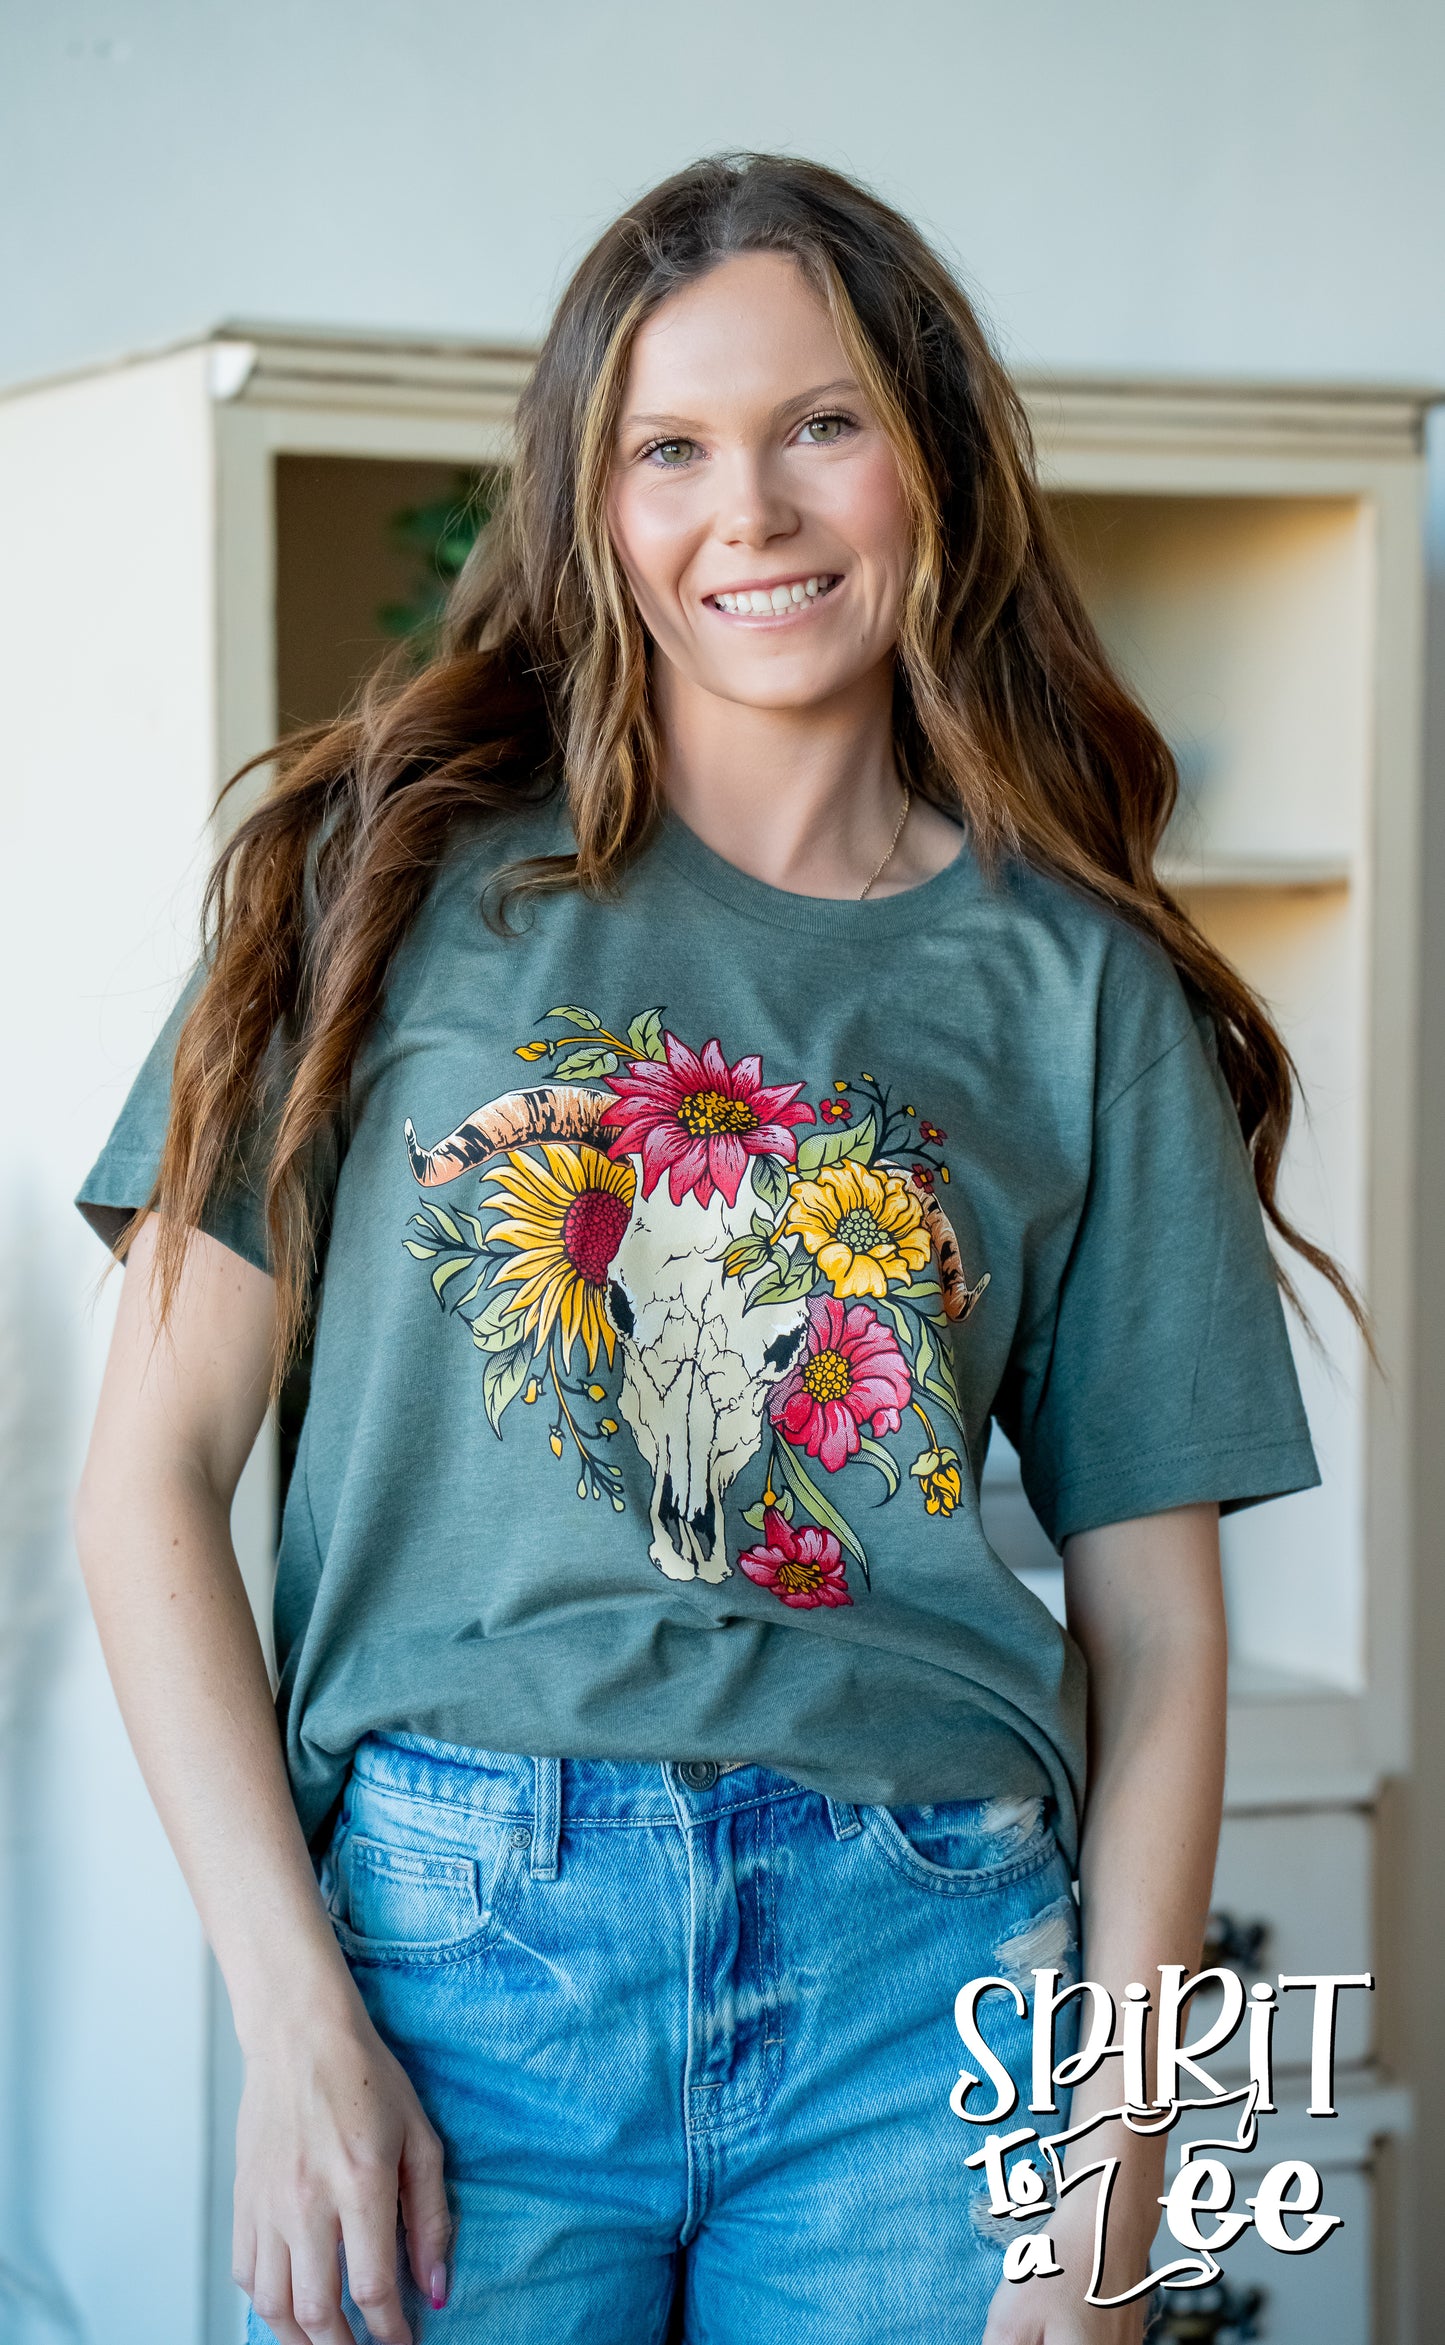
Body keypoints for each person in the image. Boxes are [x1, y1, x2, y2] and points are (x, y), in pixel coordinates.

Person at [73, 153, 1344, 2345]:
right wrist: (292, 2023)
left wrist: (1113, 2188)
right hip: (462, 1954)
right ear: (596, 500)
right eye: (670, 447)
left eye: (819, 425)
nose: (746, 511)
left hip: (926, 1974)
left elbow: (1159, 1641)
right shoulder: (381, 888)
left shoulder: (1078, 989)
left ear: (930, 460)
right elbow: (145, 1488)